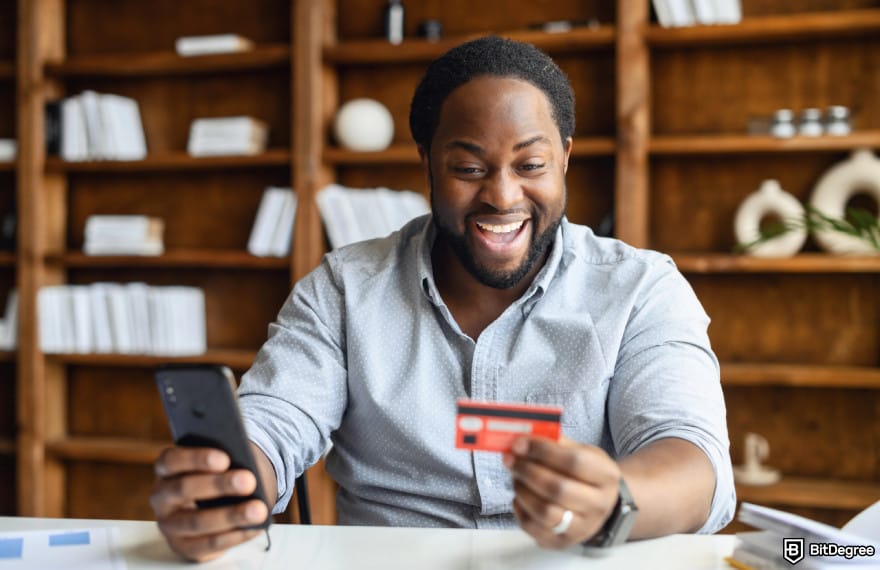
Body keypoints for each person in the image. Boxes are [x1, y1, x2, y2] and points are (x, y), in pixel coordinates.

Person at [151, 36, 735, 562]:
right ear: (426, 163)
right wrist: (225, 487)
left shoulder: (640, 289)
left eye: (530, 164)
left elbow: (692, 460)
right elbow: (275, 421)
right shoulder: (345, 289)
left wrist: (617, 498)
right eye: (468, 167)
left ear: (565, 157)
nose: (502, 196)